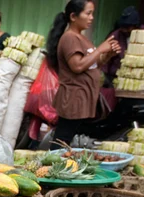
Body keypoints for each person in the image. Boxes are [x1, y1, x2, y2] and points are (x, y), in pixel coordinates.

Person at [46, 0, 120, 150]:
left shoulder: (82, 38)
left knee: (67, 139)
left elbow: (92, 65)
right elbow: (78, 66)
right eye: (88, 13)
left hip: (82, 97)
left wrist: (108, 55)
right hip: (73, 97)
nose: (92, 17)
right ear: (73, 16)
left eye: (92, 13)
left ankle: (58, 167)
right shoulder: (69, 38)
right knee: (62, 140)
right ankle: (52, 168)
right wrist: (99, 50)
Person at [101, 6, 144, 83]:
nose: (124, 30)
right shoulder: (115, 36)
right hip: (117, 77)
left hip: (140, 77)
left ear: (136, 26)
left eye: (127, 27)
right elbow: (105, 60)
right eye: (122, 27)